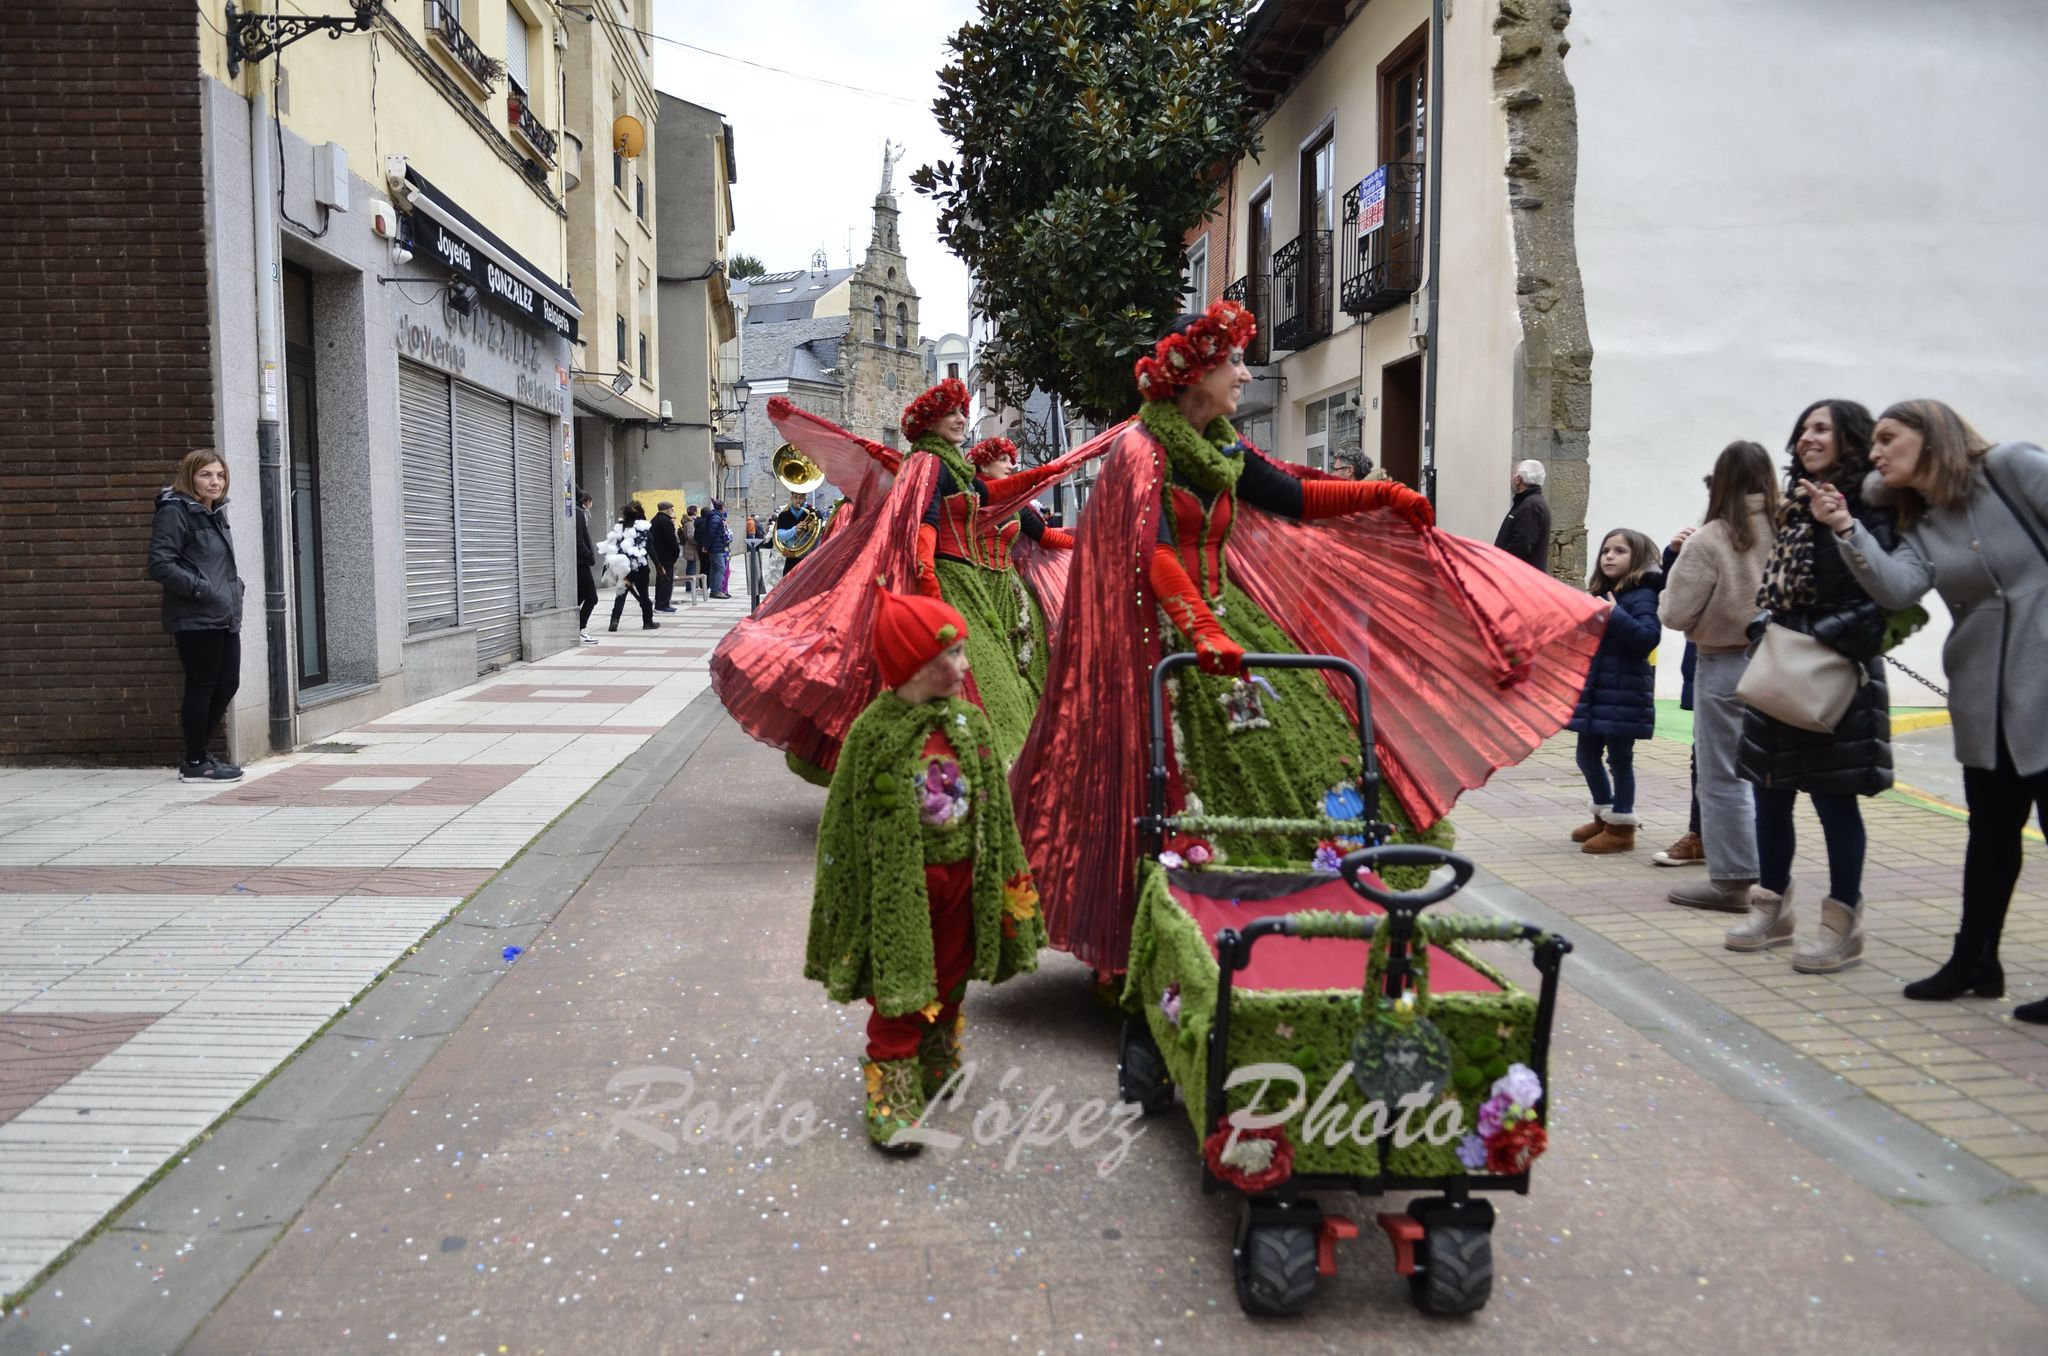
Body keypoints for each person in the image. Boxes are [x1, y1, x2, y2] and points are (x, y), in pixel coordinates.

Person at [1010, 300, 1611, 973]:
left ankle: (1306, 914)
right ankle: (1175, 938)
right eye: (1233, 361)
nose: (1244, 374)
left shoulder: (1222, 448)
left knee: (1311, 757)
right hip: (1160, 642)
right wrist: (1201, 628)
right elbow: (1151, 556)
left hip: (1225, 626)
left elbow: (1295, 497)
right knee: (1172, 788)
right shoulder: (1138, 452)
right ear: (1193, 373)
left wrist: (1380, 497)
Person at [1813, 400, 2048, 1022]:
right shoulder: (1917, 518)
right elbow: (1897, 588)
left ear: (1933, 435)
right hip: (1983, 693)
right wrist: (1845, 528)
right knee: (1991, 836)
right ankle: (1974, 962)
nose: (1877, 451)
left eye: (1890, 438)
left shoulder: (2012, 467)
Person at [804, 585, 1045, 1150]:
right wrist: (846, 890)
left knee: (953, 972)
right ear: (916, 664)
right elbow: (843, 821)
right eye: (953, 655)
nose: (966, 664)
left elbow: (997, 812)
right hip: (903, 887)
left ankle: (939, 1053)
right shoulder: (874, 734)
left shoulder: (970, 725)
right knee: (901, 981)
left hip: (965, 879)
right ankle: (890, 1088)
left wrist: (1009, 875)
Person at [1729, 400, 1895, 970]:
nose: (1806, 436)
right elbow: (1773, 592)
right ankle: (1773, 910)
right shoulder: (1796, 507)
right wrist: (1765, 631)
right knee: (1769, 794)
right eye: (1802, 428)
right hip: (1781, 669)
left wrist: (1810, 638)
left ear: (1851, 439)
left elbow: (1878, 603)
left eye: (1821, 428)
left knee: (1834, 803)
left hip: (1836, 678)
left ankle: (1841, 924)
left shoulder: (1870, 509)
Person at [1658, 441, 1779, 912]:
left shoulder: (1711, 538)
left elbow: (1674, 612)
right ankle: (1775, 876)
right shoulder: (1792, 528)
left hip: (1725, 661)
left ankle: (1732, 881)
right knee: (1773, 779)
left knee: (1724, 775)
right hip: (1785, 661)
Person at [146, 449, 246, 782]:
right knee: (202, 686)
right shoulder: (176, 511)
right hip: (196, 614)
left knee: (227, 683)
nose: (215, 481)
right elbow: (160, 564)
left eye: (219, 475)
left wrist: (234, 590)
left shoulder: (213, 512)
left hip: (224, 612)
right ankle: (194, 761)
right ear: (190, 476)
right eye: (206, 475)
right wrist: (203, 590)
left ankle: (199, 754)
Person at [1566, 529, 1664, 854]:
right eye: (1606, 550)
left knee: (1619, 760)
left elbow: (1648, 638)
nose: (1608, 556)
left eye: (1619, 551)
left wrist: (1614, 615)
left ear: (1636, 558)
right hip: (1596, 692)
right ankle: (1604, 813)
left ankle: (1622, 827)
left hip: (1624, 694)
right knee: (1586, 757)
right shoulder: (1602, 592)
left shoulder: (1643, 595)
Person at [1652, 642, 1705, 865]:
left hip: (1731, 670)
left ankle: (1707, 839)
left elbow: (1676, 615)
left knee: (1715, 762)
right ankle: (1700, 836)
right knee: (1702, 759)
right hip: (1711, 668)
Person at [601, 501, 658, 631]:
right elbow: (650, 548)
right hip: (640, 568)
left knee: (621, 594)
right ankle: (647, 622)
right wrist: (659, 566)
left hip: (623, 568)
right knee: (644, 595)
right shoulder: (643, 528)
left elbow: (612, 546)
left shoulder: (620, 528)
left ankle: (614, 621)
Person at [1494, 459, 1553, 571]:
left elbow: (1521, 546)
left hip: (1520, 579)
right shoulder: (1529, 503)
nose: (1510, 479)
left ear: (1518, 479)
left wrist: (1500, 567)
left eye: (1513, 474)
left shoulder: (1530, 506)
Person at [773, 488, 823, 580]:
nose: (798, 500)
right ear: (791, 498)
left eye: (801, 498)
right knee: (787, 585)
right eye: (795, 497)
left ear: (805, 498)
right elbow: (780, 536)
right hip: (792, 557)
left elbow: (818, 536)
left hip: (809, 558)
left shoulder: (814, 513)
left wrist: (808, 529)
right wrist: (795, 530)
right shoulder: (784, 515)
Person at [575, 490, 601, 643]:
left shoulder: (576, 512)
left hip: (578, 562)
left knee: (580, 597)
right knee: (592, 597)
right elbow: (579, 541)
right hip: (581, 563)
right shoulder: (578, 513)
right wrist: (589, 556)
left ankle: (573, 628)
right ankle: (578, 629)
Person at [649, 501, 682, 612]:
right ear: (668, 510)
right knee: (667, 581)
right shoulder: (666, 522)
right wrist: (675, 553)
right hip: (667, 556)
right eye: (672, 510)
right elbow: (671, 541)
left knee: (661, 580)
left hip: (657, 555)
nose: (672, 512)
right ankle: (663, 605)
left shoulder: (654, 520)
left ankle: (659, 603)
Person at [696, 499, 733, 599]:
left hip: (715, 547)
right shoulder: (716, 518)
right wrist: (707, 547)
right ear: (722, 508)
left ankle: (714, 589)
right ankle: (716, 590)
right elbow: (711, 534)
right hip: (716, 548)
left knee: (714, 568)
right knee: (720, 568)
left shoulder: (714, 517)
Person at [679, 504, 703, 600]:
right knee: (691, 566)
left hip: (689, 547)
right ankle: (690, 587)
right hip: (691, 548)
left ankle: (690, 586)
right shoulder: (690, 522)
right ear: (695, 511)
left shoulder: (689, 521)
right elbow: (690, 535)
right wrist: (697, 542)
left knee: (691, 566)